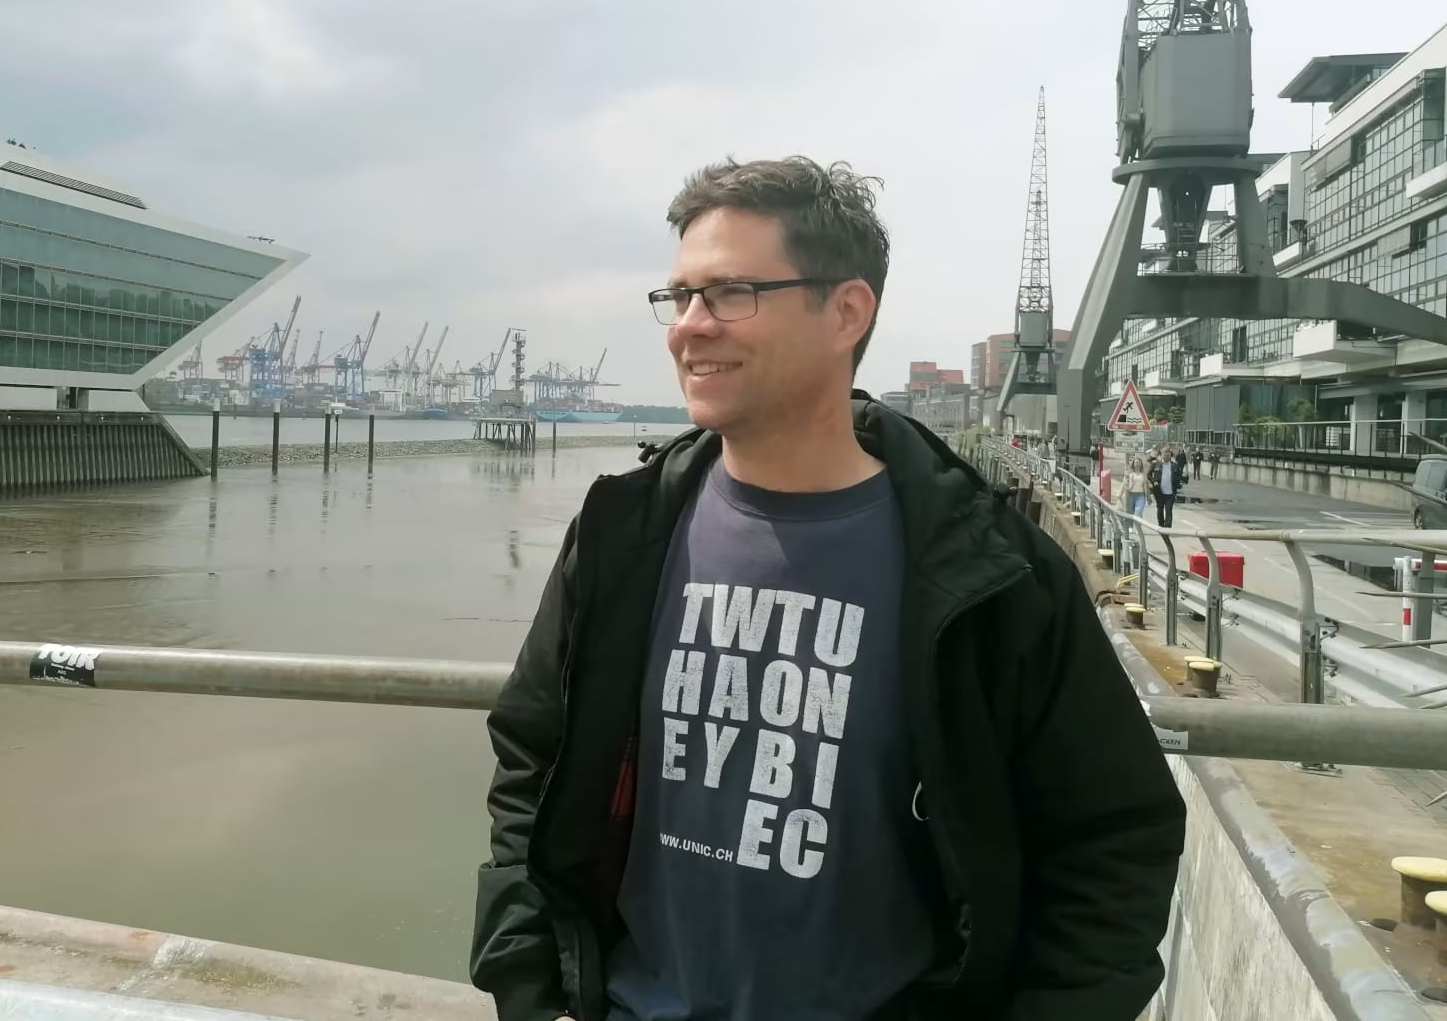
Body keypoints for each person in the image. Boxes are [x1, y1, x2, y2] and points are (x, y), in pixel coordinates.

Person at [471, 156, 1184, 1021]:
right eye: (679, 296)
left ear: (846, 311)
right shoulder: (624, 532)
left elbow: (1112, 841)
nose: (690, 327)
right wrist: (529, 983)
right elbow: (532, 761)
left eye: (731, 292)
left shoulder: (994, 572)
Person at [1150, 450, 1180, 528]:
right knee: (1160, 509)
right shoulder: (1156, 464)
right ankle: (1161, 526)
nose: (1167, 457)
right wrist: (1154, 481)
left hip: (1170, 493)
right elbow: (1148, 475)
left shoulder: (1175, 465)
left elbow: (1178, 476)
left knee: (1169, 510)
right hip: (1159, 492)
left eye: (1168, 455)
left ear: (1171, 456)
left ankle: (1167, 527)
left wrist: (1177, 484)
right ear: (1162, 455)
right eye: (1165, 455)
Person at [1123, 454, 1150, 519]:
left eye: (1139, 462)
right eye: (1136, 462)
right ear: (1133, 464)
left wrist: (1148, 497)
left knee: (1138, 512)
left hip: (1140, 495)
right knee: (1130, 514)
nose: (1137, 464)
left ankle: (1138, 526)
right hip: (1131, 495)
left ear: (1141, 464)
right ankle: (1131, 528)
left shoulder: (1143, 474)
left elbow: (1145, 486)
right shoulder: (1130, 473)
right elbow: (1126, 486)